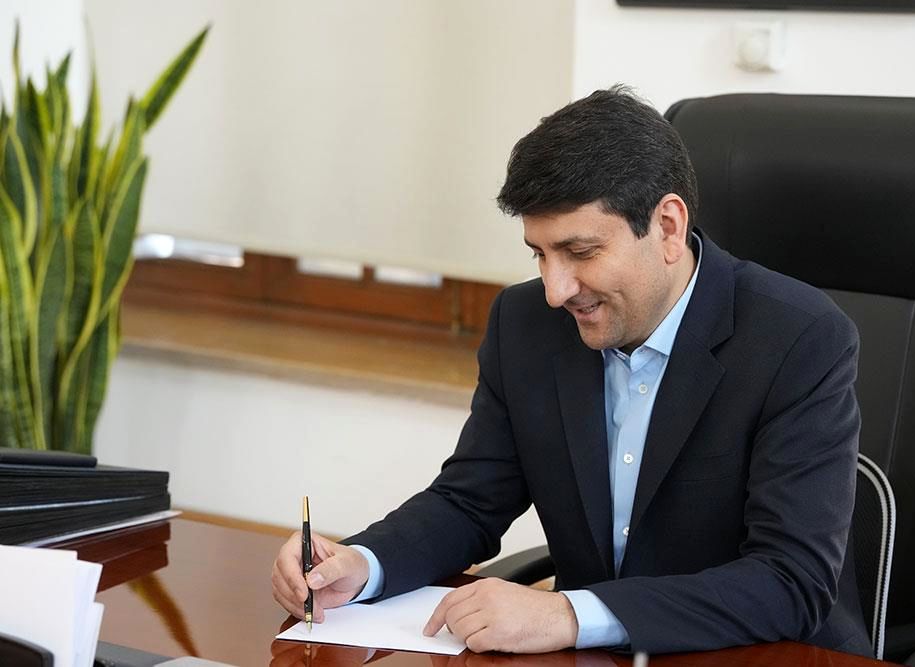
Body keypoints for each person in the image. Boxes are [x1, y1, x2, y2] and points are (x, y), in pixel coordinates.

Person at [272, 86, 870, 657]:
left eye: (581, 253)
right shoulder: (524, 323)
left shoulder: (799, 338)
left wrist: (570, 615)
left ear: (667, 226)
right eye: (540, 254)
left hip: (762, 655)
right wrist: (363, 564)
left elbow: (790, 580)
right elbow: (470, 501)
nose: (556, 291)